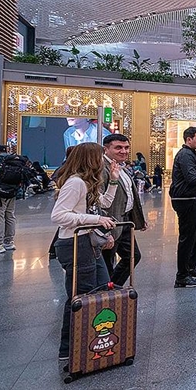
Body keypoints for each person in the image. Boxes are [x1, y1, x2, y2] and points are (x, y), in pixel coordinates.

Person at [50, 142, 119, 360]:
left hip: (87, 242)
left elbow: (103, 204)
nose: (103, 161)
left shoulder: (87, 183)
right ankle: (69, 348)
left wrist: (114, 181)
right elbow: (59, 215)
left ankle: (89, 340)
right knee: (80, 297)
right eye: (100, 156)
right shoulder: (75, 183)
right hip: (75, 244)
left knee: (99, 289)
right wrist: (95, 220)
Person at [101, 134, 147, 286]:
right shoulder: (102, 169)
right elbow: (99, 202)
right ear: (106, 149)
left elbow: (129, 195)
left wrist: (138, 219)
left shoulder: (122, 167)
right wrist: (104, 232)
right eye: (118, 147)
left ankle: (111, 287)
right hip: (110, 223)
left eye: (126, 148)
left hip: (124, 222)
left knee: (133, 256)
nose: (124, 151)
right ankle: (105, 292)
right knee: (107, 261)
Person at [169, 127, 196, 289]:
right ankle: (182, 276)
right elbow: (192, 178)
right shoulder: (186, 155)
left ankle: (190, 267)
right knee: (188, 237)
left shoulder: (192, 154)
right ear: (189, 139)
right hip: (185, 199)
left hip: (191, 198)